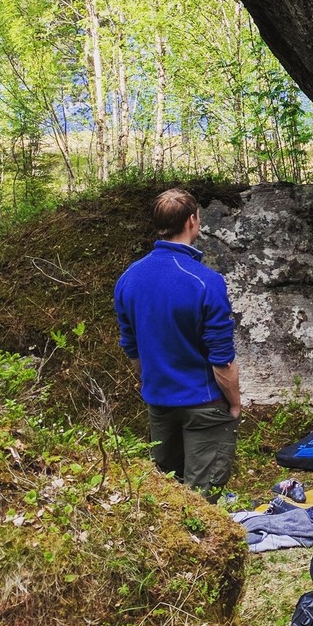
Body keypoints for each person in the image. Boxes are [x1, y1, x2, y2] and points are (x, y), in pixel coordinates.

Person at [114, 188, 241, 495]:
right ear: (192, 221)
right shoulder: (206, 281)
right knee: (202, 497)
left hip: (159, 401)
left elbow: (131, 346)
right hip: (204, 403)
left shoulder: (129, 278)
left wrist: (154, 381)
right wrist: (235, 403)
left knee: (167, 493)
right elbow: (221, 360)